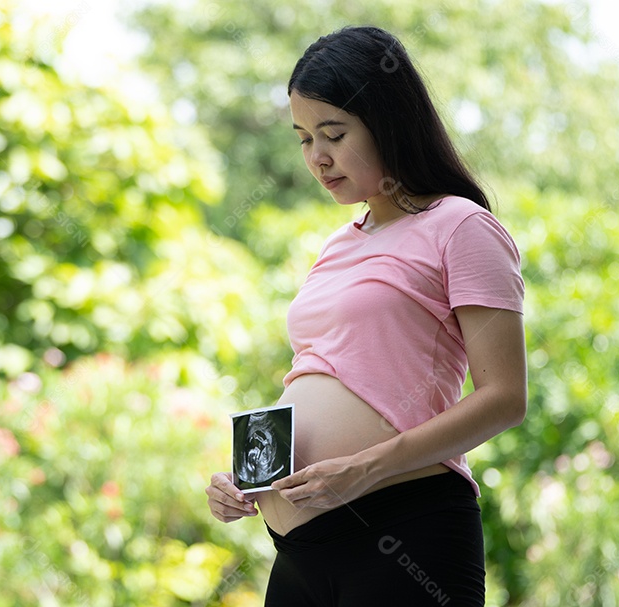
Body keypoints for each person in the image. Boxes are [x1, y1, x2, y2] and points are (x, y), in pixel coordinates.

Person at [204, 25, 527, 606]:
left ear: (388, 121)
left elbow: (505, 397)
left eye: (333, 133)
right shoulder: (337, 245)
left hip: (405, 532)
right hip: (300, 553)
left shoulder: (460, 227)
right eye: (303, 139)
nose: (317, 158)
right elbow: (323, 374)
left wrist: (363, 469)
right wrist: (245, 478)